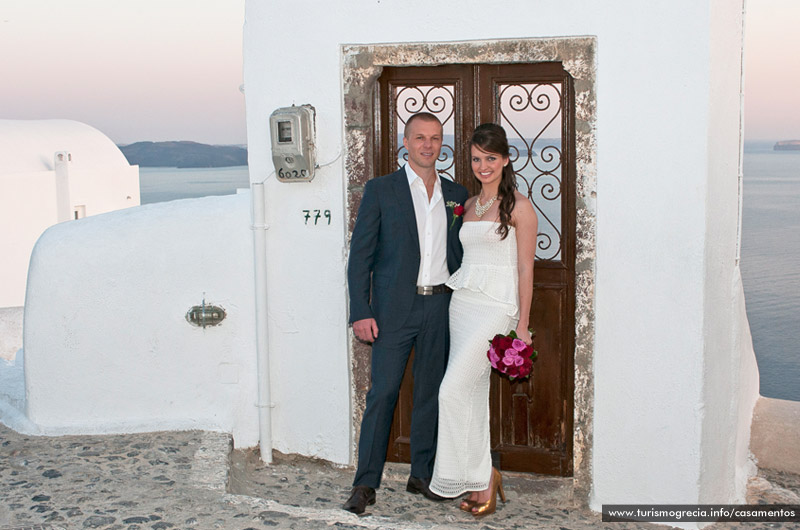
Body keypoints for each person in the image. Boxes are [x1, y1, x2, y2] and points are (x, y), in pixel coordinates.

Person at [343, 112, 469, 515]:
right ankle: (365, 484)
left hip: (440, 306)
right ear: (406, 142)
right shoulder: (381, 190)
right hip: (394, 309)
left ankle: (422, 474)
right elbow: (359, 257)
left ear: (441, 142)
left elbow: (464, 252)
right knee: (383, 393)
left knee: (431, 393)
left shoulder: (456, 193)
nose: (427, 145)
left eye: (434, 138)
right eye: (420, 138)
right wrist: (360, 311)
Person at [428, 123, 538, 517]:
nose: (483, 166)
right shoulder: (469, 205)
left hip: (496, 308)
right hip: (463, 306)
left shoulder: (520, 208)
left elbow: (526, 270)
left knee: (450, 390)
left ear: (506, 159)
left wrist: (521, 325)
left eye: (490, 158)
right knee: (471, 395)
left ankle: (484, 476)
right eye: (476, 159)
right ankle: (480, 481)